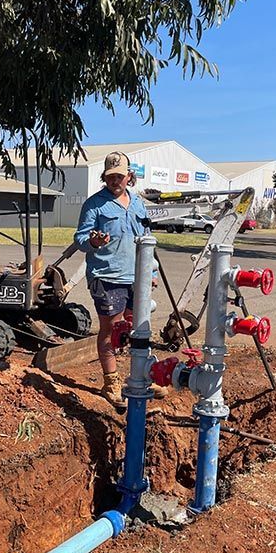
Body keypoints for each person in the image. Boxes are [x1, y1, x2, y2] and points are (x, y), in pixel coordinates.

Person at [74, 151, 163, 410]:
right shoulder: (94, 205)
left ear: (129, 177)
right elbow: (79, 239)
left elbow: (147, 241)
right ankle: (111, 382)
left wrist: (152, 272)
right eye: (111, 176)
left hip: (136, 276)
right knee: (112, 329)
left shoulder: (137, 204)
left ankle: (142, 376)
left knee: (138, 326)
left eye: (120, 176)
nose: (116, 181)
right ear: (105, 177)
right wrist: (93, 241)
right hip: (106, 275)